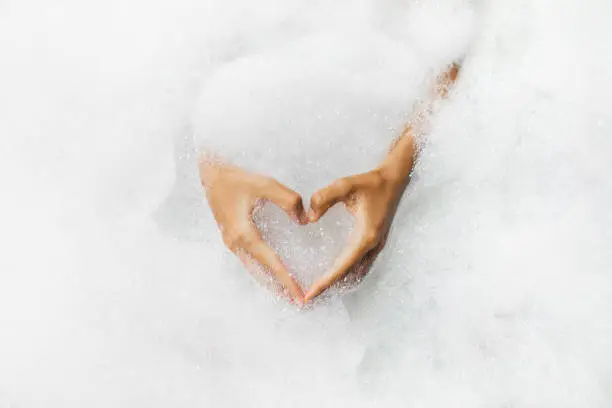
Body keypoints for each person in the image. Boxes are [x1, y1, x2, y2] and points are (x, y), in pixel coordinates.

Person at [199, 63, 460, 305]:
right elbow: (182, 51)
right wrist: (213, 170)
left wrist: (394, 172)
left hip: (394, 257)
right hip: (227, 261)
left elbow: (458, 42)